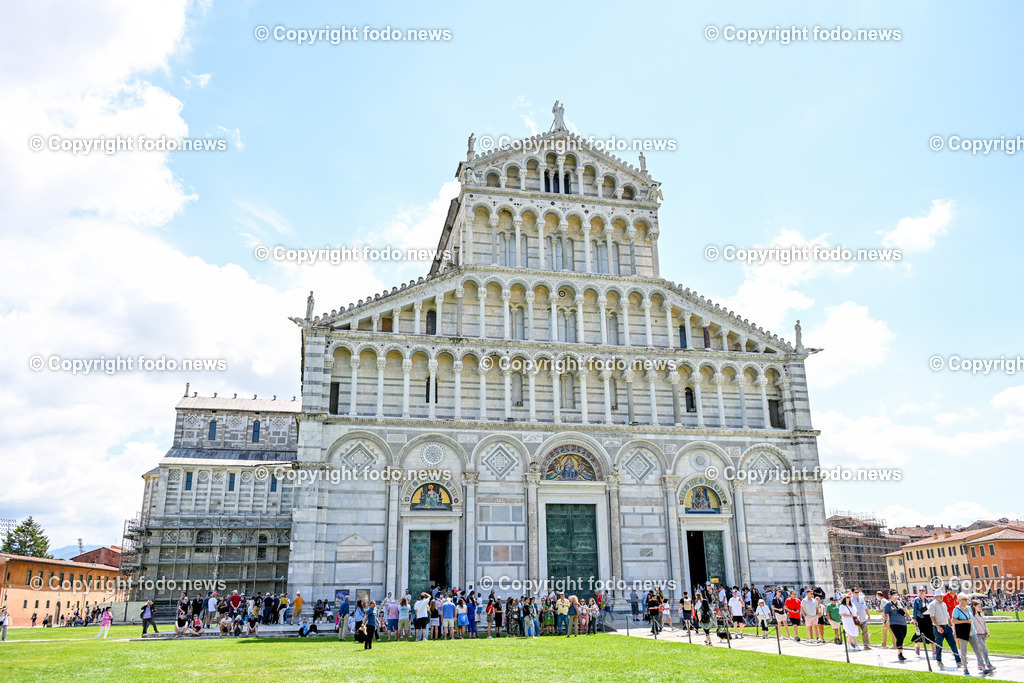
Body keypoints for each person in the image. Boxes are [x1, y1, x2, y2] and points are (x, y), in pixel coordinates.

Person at [928, 592, 961, 668]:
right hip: (939, 627)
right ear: (936, 596)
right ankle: (939, 660)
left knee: (953, 643)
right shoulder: (932, 604)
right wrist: (937, 626)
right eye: (939, 596)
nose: (941, 597)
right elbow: (932, 617)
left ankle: (958, 660)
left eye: (941, 596)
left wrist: (951, 626)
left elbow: (947, 616)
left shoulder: (944, 604)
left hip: (946, 626)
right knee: (939, 644)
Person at [951, 593, 975, 675]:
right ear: (960, 600)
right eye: (965, 599)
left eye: (967, 599)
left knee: (977, 648)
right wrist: (964, 621)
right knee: (963, 650)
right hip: (962, 632)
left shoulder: (969, 608)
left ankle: (983, 666)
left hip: (971, 631)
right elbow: (953, 620)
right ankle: (965, 667)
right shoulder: (956, 609)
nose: (967, 601)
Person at [970, 600, 996, 675]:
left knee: (981, 650)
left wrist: (987, 632)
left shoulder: (981, 615)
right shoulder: (972, 616)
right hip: (977, 634)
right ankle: (988, 664)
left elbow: (985, 624)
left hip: (983, 634)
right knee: (984, 650)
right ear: (974, 606)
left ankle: (979, 664)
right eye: (978, 606)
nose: (980, 608)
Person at [884, 591, 908, 661]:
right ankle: (900, 654)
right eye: (894, 596)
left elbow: (906, 611)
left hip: (903, 623)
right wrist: (885, 623)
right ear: (891, 596)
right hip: (894, 623)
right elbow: (886, 615)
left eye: (897, 596)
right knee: (899, 637)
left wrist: (911, 618)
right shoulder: (888, 605)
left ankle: (900, 649)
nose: (896, 597)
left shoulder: (900, 603)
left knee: (903, 636)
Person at [912, 588, 935, 658]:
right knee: (922, 634)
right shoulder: (917, 600)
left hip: (928, 618)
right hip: (920, 618)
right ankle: (918, 646)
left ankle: (934, 651)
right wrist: (914, 619)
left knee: (931, 634)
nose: (921, 592)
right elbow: (915, 610)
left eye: (923, 590)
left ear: (925, 592)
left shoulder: (927, 600)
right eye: (920, 590)